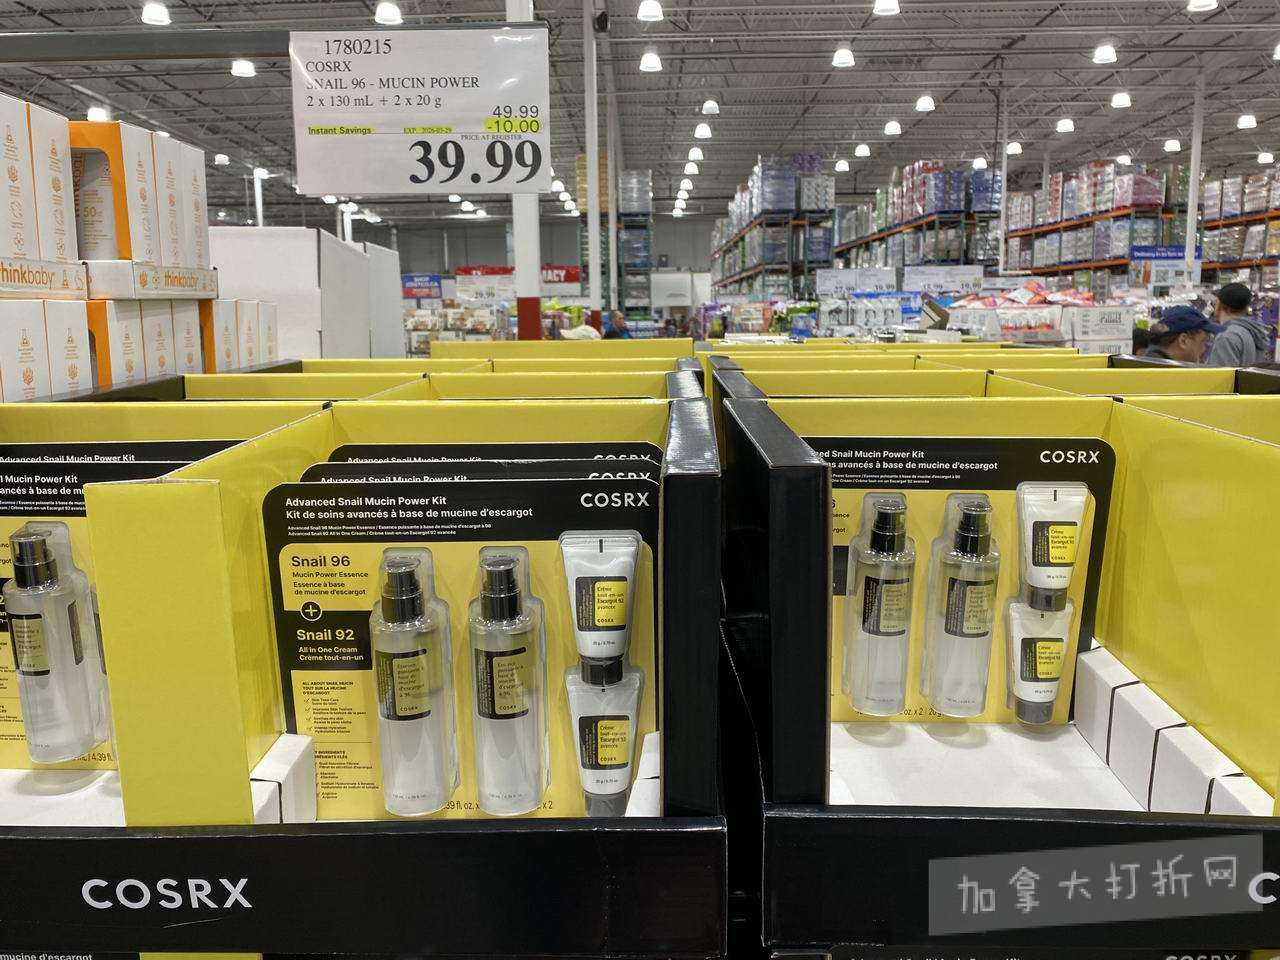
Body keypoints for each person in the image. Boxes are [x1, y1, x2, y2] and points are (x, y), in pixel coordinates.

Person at [1206, 282, 1269, 367]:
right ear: (1245, 308)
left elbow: (1220, 374)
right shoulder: (1253, 332)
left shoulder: (1226, 336)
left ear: (1219, 305)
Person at [1141, 305, 1224, 363]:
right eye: (1203, 341)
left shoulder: (1148, 365)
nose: (1204, 349)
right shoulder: (1165, 377)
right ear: (1183, 340)